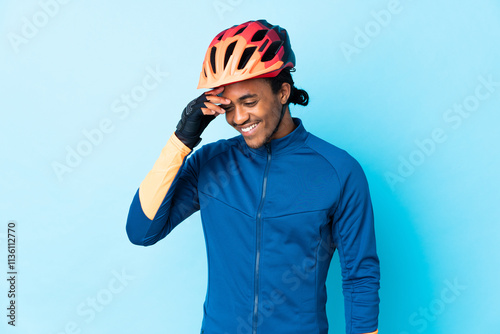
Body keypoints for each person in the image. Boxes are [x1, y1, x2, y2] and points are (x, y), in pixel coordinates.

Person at [126, 19, 380, 334]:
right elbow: (142, 230)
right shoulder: (211, 163)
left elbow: (360, 277)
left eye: (249, 102)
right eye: (229, 107)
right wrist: (182, 140)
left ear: (283, 92)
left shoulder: (339, 171)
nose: (238, 118)